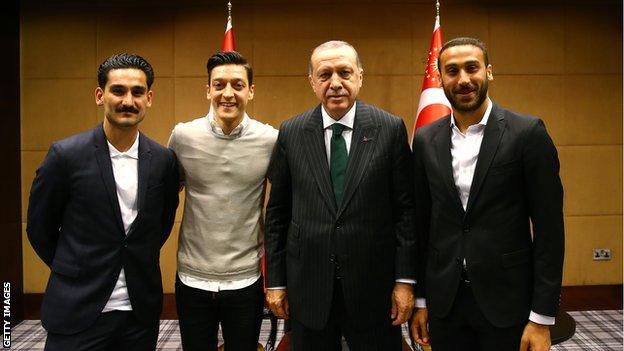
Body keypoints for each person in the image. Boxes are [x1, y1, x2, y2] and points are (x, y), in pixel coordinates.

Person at [410, 37, 565, 351]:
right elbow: (421, 224)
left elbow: (550, 231)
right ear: (440, 79)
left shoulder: (527, 133)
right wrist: (422, 299)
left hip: (507, 302)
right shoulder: (426, 139)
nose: (463, 79)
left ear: (489, 72)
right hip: (446, 303)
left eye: (472, 68)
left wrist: (542, 317)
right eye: (452, 71)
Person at [264, 40, 417, 350]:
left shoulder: (389, 129)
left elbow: (406, 213)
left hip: (373, 289)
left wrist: (404, 282)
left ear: (360, 76)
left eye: (345, 72)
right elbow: (277, 214)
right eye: (325, 74)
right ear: (312, 82)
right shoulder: (291, 132)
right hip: (308, 289)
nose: (335, 83)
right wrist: (276, 281)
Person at [27, 53, 180, 350]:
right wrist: (75, 265)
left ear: (149, 98)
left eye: (137, 92)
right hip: (77, 308)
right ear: (100, 95)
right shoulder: (65, 155)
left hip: (138, 314)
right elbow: (39, 228)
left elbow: (159, 226)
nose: (128, 101)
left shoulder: (164, 160)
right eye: (118, 90)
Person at [168, 51, 277, 351]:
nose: (227, 93)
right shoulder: (183, 136)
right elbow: (163, 198)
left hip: (246, 279)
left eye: (237, 85)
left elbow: (283, 208)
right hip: (192, 279)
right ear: (208, 90)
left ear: (251, 91)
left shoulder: (270, 140)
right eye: (219, 85)